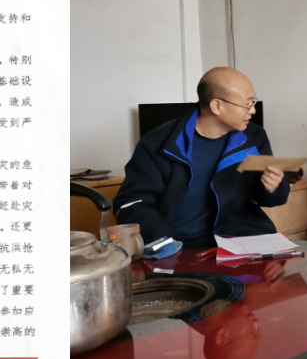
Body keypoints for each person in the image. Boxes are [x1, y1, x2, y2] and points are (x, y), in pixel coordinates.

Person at [113, 67, 290, 248]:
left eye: (253, 101)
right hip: (181, 245)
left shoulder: (254, 137)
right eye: (247, 103)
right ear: (217, 106)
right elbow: (131, 203)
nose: (252, 110)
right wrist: (165, 244)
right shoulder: (156, 143)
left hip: (242, 240)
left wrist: (274, 187)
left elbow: (273, 199)